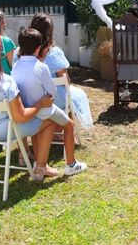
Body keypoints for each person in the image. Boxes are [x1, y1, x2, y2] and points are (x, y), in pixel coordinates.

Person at [0, 33, 60, 181]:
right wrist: (40, 103)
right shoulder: (6, 82)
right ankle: (41, 167)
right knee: (49, 121)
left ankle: (26, 155)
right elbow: (21, 117)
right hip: (3, 132)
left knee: (33, 121)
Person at [11, 28, 87, 176]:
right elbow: (52, 91)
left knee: (41, 128)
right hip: (45, 110)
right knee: (69, 125)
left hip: (26, 110)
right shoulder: (41, 67)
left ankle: (40, 166)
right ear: (39, 47)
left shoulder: (16, 66)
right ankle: (71, 164)